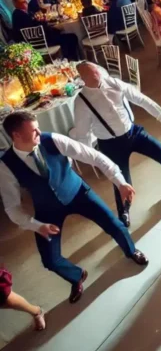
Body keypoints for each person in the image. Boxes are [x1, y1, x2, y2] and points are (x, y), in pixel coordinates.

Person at [0, 111, 149, 304]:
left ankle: (131, 251)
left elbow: (94, 157)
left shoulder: (53, 140)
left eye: (38, 127)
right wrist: (36, 225)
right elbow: (12, 207)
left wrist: (120, 182)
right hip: (47, 210)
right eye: (34, 130)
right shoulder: (5, 166)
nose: (40, 131)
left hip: (78, 193)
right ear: (16, 135)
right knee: (50, 260)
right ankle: (77, 276)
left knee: (115, 224)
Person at [70, 62, 161, 227]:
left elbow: (140, 99)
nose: (97, 76)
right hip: (110, 144)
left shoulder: (113, 82)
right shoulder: (81, 102)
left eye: (97, 71)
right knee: (122, 183)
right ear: (82, 79)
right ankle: (123, 212)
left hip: (134, 133)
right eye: (92, 75)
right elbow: (83, 133)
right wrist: (94, 158)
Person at [10, 0, 82, 60]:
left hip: (37, 40)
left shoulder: (18, 14)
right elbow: (34, 28)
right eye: (24, 2)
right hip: (41, 42)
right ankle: (71, 59)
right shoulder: (20, 15)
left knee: (63, 35)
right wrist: (43, 21)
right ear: (18, 4)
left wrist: (41, 21)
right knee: (72, 37)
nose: (26, 3)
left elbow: (32, 25)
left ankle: (68, 58)